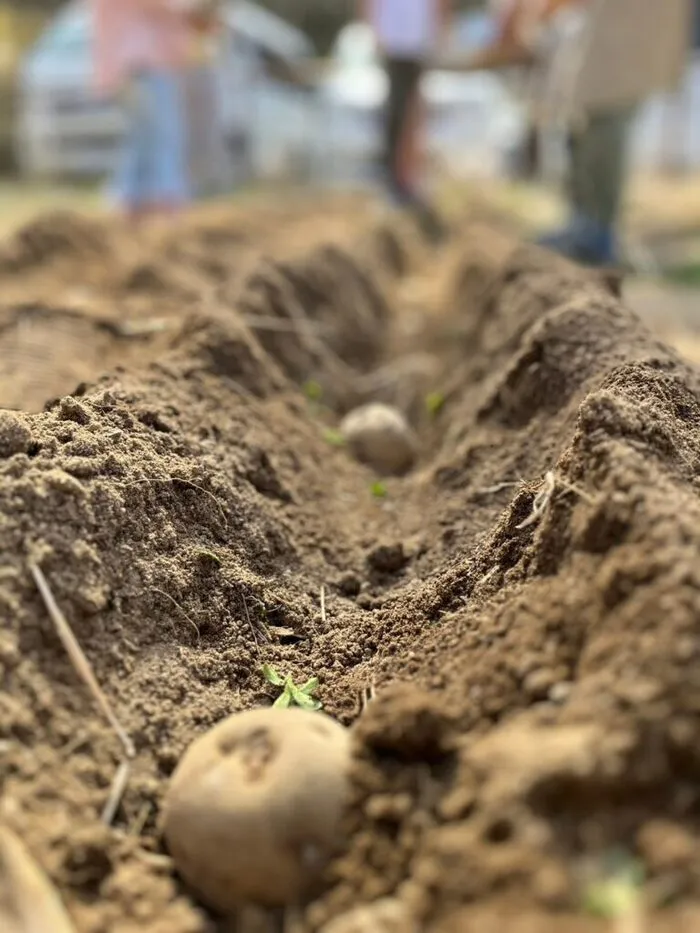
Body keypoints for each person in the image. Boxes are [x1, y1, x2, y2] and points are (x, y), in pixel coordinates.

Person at [465, 0, 691, 266]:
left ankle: (596, 231)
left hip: (630, 25)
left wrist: (531, 15)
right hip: (616, 22)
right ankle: (588, 223)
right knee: (590, 112)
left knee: (605, 114)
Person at [91, 0, 195, 223]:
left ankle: (131, 207)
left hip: (136, 67)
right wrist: (191, 8)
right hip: (142, 65)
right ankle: (163, 206)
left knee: (142, 142)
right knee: (162, 139)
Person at [360, 0, 452, 238]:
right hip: (399, 38)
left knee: (409, 114)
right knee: (400, 113)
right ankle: (397, 182)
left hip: (414, 39)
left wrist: (439, 29)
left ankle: (406, 179)